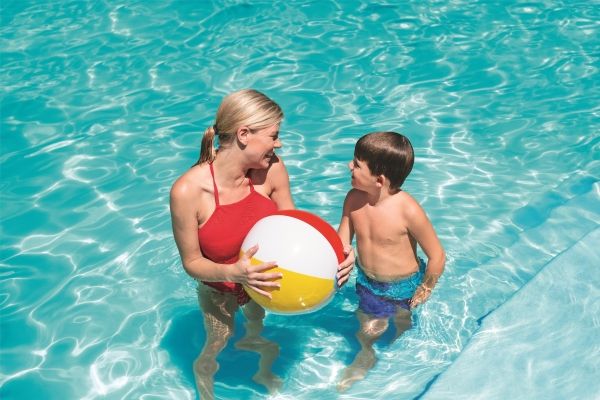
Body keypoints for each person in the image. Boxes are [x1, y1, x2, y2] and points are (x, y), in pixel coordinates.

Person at [169, 89, 355, 399]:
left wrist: (339, 252)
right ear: (244, 134)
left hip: (263, 285)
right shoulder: (188, 191)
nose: (278, 144)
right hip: (219, 288)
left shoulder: (272, 170)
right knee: (218, 343)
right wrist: (235, 273)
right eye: (273, 136)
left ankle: (262, 370)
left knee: (256, 327)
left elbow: (296, 229)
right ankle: (204, 380)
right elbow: (192, 263)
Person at [336, 131, 446, 392]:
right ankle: (366, 355)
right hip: (368, 282)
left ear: (379, 180)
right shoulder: (353, 199)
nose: (349, 166)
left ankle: (403, 366)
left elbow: (437, 255)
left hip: (404, 286)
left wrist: (425, 288)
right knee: (366, 330)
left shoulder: (407, 210)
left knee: (402, 328)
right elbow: (342, 242)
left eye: (357, 164)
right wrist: (343, 257)